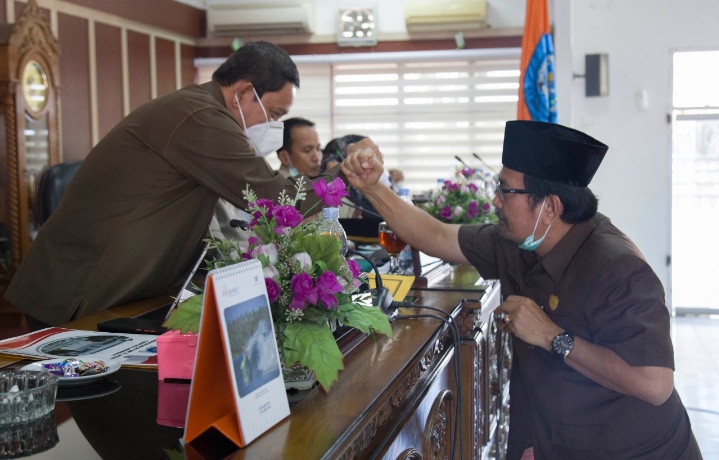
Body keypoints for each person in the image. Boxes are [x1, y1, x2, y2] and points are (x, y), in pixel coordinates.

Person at [341, 121, 702, 459]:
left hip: (637, 449)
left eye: (506, 190)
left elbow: (655, 385)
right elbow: (436, 236)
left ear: (550, 207)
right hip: (559, 441)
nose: (496, 200)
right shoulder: (519, 242)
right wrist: (373, 186)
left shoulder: (617, 268)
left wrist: (553, 336)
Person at [6, 40, 345, 329]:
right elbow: (279, 200)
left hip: (108, 289)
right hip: (75, 295)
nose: (273, 127)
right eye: (273, 114)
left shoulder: (199, 109)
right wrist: (345, 175)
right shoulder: (201, 118)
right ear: (243, 93)